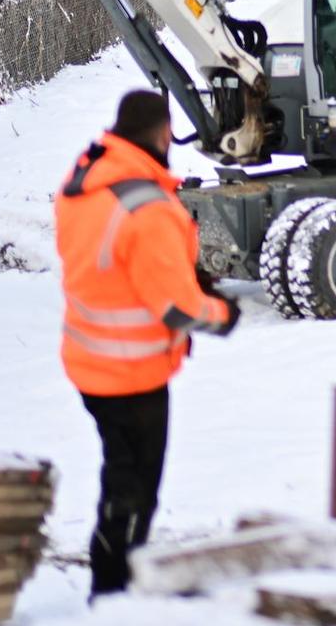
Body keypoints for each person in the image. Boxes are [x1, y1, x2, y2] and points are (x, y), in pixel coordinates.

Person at [55, 90, 239, 599]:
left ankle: (114, 585)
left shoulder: (87, 181)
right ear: (162, 134)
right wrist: (223, 313)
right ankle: (113, 593)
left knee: (121, 479)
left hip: (88, 358)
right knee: (134, 493)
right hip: (131, 372)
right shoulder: (148, 207)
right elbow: (178, 308)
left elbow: (112, 263)